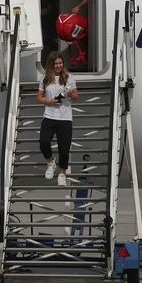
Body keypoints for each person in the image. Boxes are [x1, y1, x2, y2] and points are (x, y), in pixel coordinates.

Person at [37, 52, 79, 185]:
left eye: (60, 63)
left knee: (64, 148)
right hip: (49, 116)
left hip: (65, 117)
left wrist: (72, 94)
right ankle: (50, 162)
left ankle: (62, 173)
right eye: (56, 63)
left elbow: (76, 96)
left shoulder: (69, 77)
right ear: (51, 64)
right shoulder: (45, 79)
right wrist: (48, 102)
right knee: (43, 143)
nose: (58, 66)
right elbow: (39, 97)